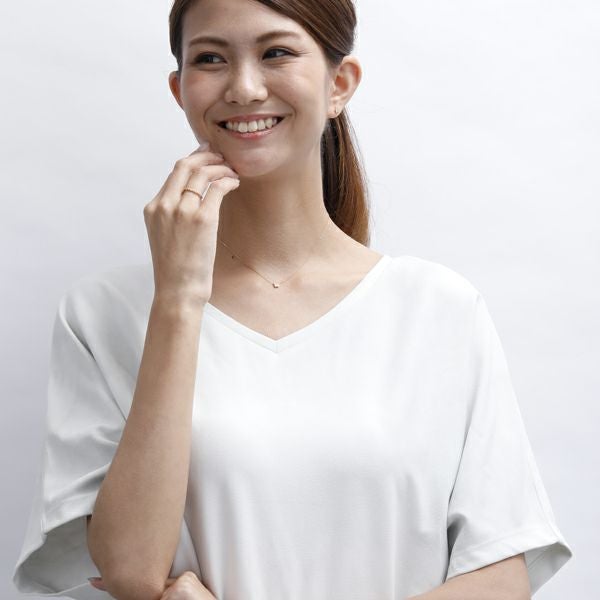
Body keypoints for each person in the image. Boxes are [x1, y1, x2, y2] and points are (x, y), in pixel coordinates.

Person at [12, 0, 573, 599]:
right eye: (210, 59)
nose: (244, 87)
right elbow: (131, 571)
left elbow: (502, 575)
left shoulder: (439, 309)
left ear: (340, 84)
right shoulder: (101, 315)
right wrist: (177, 300)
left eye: (276, 52)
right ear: (180, 90)